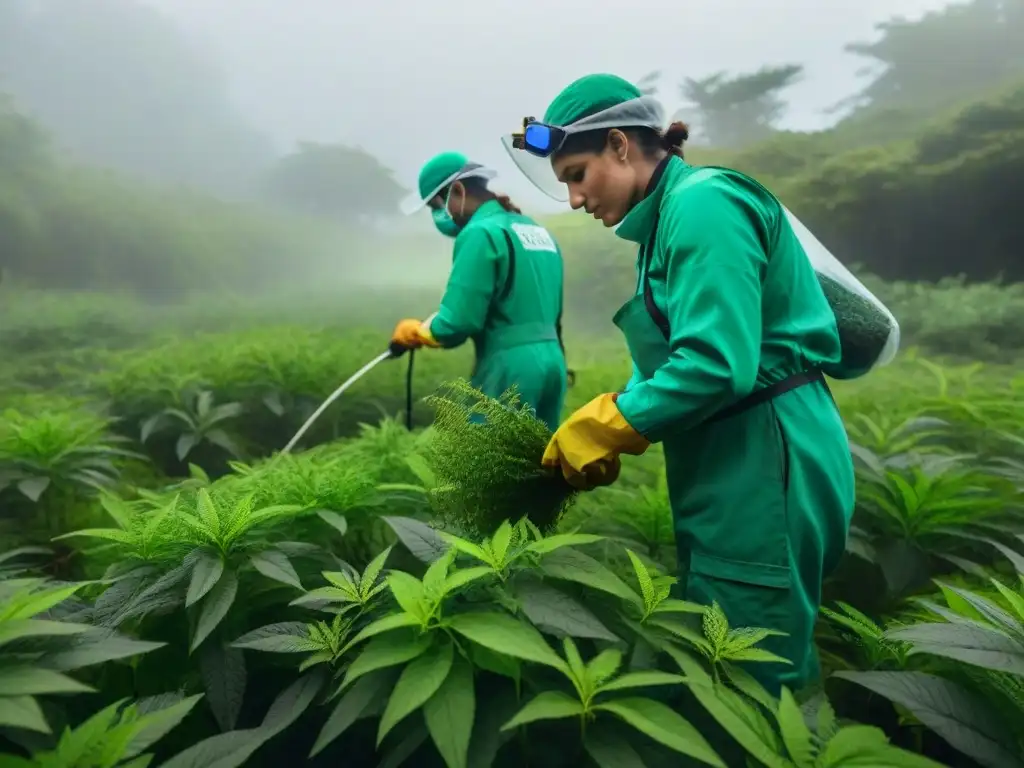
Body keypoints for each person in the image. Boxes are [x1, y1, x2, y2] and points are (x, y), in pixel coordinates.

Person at [501, 73, 895, 698]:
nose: (574, 198)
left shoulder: (704, 205)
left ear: (622, 146)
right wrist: (615, 420)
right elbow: (671, 356)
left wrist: (619, 422)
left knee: (759, 679)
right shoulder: (665, 219)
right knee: (724, 649)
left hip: (764, 458)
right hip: (734, 459)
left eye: (577, 174)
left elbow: (716, 363)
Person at [391, 151, 570, 431]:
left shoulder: (480, 233)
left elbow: (457, 323)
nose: (438, 215)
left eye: (436, 205)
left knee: (489, 465)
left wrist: (419, 331)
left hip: (508, 366)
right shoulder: (536, 231)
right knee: (540, 463)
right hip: (553, 363)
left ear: (458, 190)